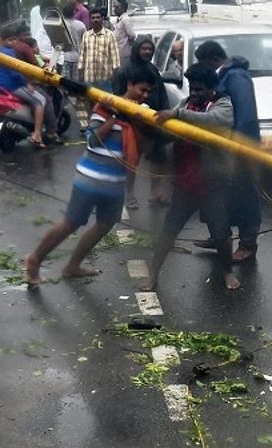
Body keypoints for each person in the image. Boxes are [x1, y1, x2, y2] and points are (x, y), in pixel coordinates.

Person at [25, 66, 154, 285]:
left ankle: (73, 266)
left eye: (149, 92)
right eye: (142, 90)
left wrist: (137, 121)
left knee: (105, 224)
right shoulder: (105, 105)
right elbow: (93, 140)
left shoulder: (141, 112)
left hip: (115, 184)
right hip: (90, 180)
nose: (145, 95)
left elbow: (145, 148)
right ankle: (34, 259)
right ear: (130, 85)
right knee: (71, 223)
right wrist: (115, 116)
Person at [145, 63, 238, 291]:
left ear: (212, 88)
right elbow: (169, 131)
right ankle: (153, 274)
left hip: (213, 182)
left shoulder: (223, 104)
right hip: (185, 181)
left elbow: (215, 121)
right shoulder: (186, 103)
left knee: (221, 233)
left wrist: (177, 114)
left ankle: (228, 272)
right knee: (169, 230)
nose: (194, 93)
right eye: (192, 89)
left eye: (199, 89)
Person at [194, 40, 261, 263]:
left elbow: (246, 115)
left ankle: (247, 244)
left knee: (244, 194)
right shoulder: (224, 76)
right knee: (220, 194)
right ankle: (220, 237)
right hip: (221, 147)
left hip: (239, 147)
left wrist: (240, 146)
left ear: (213, 59)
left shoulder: (236, 77)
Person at [113, 35, 171, 208]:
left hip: (153, 120)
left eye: (150, 49)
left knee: (159, 156)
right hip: (132, 121)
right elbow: (118, 97)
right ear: (136, 49)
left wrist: (165, 112)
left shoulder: (153, 70)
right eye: (143, 48)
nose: (147, 52)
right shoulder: (124, 71)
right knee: (132, 159)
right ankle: (129, 195)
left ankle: (155, 193)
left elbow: (161, 94)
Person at [0, 25, 53, 148]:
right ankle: (37, 134)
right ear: (3, 40)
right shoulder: (10, 53)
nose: (13, 42)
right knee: (40, 101)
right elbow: (16, 73)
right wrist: (27, 84)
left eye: (14, 39)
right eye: (10, 40)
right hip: (12, 87)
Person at [78, 8, 120, 93]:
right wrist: (80, 72)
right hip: (89, 78)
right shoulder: (86, 35)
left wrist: (113, 77)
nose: (95, 20)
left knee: (106, 101)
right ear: (90, 20)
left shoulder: (110, 35)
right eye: (93, 18)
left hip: (105, 79)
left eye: (98, 17)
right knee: (89, 101)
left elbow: (115, 59)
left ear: (102, 19)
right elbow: (82, 55)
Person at [62, 2, 87, 81]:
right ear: (74, 12)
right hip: (77, 57)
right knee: (76, 84)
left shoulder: (60, 24)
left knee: (65, 83)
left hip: (63, 57)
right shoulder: (81, 25)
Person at [114, 0, 136, 66]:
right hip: (119, 51)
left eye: (117, 7)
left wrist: (127, 44)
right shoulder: (120, 19)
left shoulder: (125, 20)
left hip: (124, 53)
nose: (114, 9)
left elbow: (132, 35)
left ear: (123, 8)